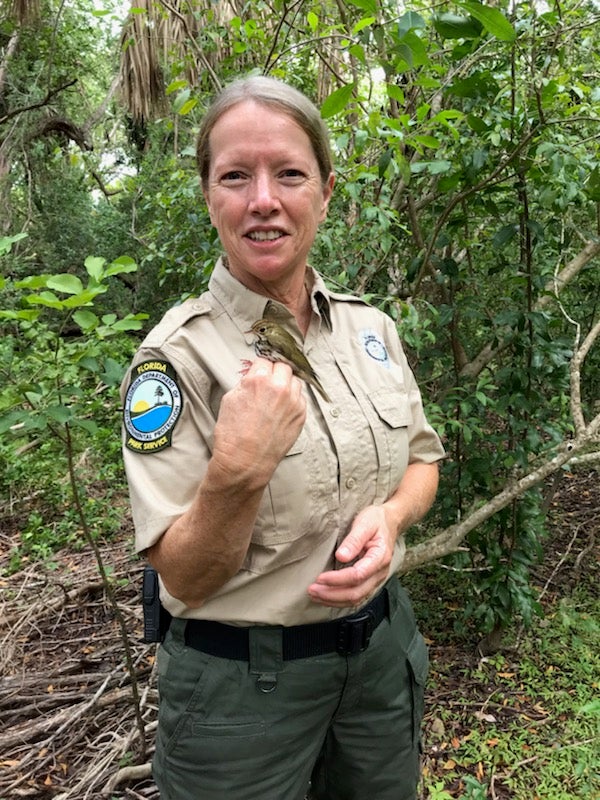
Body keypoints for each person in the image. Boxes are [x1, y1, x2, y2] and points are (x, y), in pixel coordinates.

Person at [121, 75, 445, 800]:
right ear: (209, 195)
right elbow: (186, 578)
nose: (263, 199)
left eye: (289, 174)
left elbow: (423, 460)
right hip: (241, 692)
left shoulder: (372, 329)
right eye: (236, 175)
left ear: (325, 192)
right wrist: (239, 471)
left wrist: (390, 518)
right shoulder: (172, 363)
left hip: (381, 660)